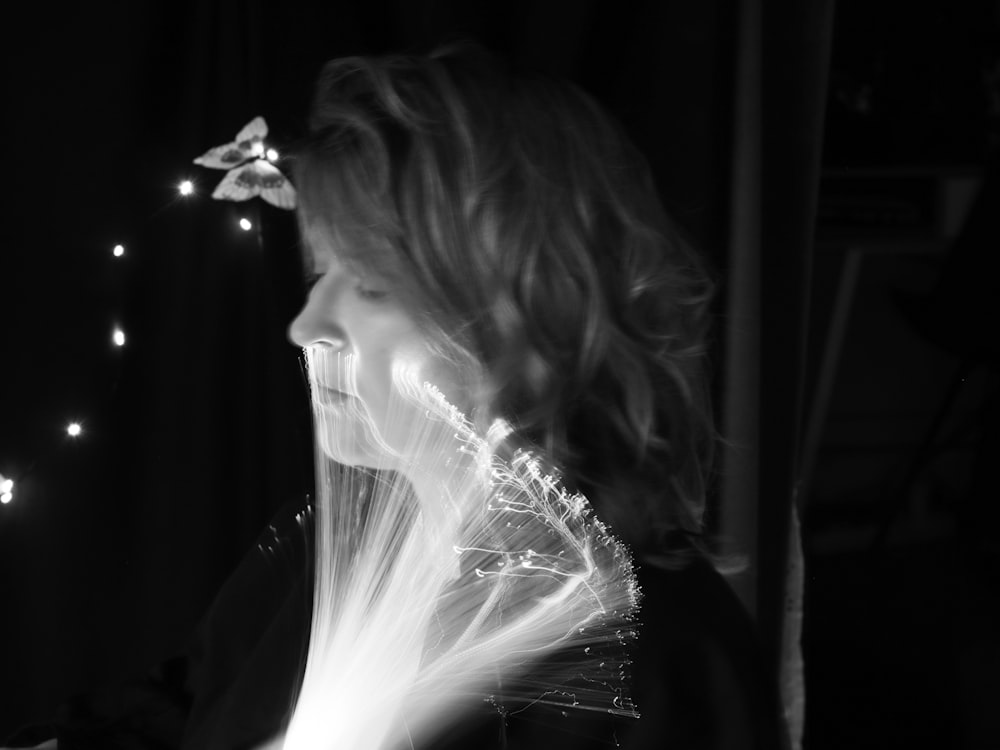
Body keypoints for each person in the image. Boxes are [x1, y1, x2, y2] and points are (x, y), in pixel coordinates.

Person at [5, 44, 785, 749]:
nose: (306, 327)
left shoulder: (651, 660)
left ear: (535, 313)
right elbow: (189, 699)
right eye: (319, 276)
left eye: (374, 287)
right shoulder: (320, 549)